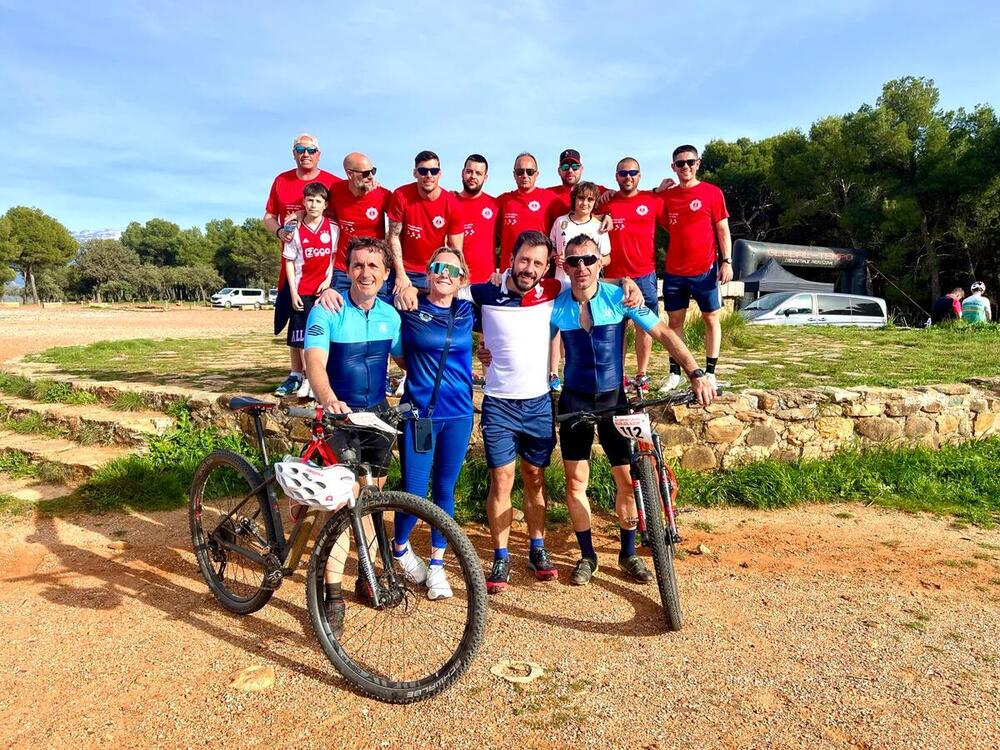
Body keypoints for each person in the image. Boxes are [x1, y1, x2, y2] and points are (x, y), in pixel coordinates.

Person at [465, 231, 645, 594]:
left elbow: (589, 280)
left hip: (538, 402)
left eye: (537, 263)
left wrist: (628, 282)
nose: (528, 269)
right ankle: (501, 555)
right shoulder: (486, 292)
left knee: (535, 478)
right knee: (502, 481)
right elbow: (445, 291)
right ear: (510, 258)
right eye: (523, 260)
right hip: (499, 402)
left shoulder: (551, 294)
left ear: (548, 268)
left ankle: (537, 548)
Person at [551, 235, 714, 586]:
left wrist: (696, 372)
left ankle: (627, 553)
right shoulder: (556, 305)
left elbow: (664, 333)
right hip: (574, 401)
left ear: (600, 262)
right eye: (574, 261)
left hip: (614, 400)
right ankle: (588, 555)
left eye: (589, 260)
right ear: (564, 265)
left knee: (627, 480)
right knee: (575, 481)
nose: (582, 267)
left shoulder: (620, 298)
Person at [302, 236, 402, 634]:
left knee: (373, 498)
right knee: (341, 507)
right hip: (339, 416)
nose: (365, 273)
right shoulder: (328, 310)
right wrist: (328, 400)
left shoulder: (390, 316)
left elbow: (404, 356)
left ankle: (366, 575)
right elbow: (315, 361)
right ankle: (332, 592)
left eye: (373, 266)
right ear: (347, 270)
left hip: (376, 415)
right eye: (358, 265)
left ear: (386, 274)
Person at [391, 248, 476, 600]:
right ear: (427, 273)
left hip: (458, 414)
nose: (444, 274)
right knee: (413, 491)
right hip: (420, 415)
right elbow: (397, 351)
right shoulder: (408, 307)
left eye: (452, 270)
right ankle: (399, 550)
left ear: (462, 280)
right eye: (438, 267)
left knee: (444, 489)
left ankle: (438, 565)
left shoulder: (468, 310)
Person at [264, 134, 342, 397]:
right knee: (296, 321)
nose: (305, 153)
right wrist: (279, 232)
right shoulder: (282, 180)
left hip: (325, 269)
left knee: (321, 321)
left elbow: (352, 200)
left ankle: (319, 374)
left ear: (319, 153)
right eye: (300, 149)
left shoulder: (333, 182)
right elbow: (268, 217)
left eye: (311, 150)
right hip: (296, 264)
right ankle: (295, 374)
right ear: (293, 153)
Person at [658, 145, 733, 392]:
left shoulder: (712, 192)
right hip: (675, 271)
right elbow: (655, 216)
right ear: (673, 167)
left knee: (711, 318)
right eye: (680, 163)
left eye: (690, 162)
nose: (686, 167)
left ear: (698, 163)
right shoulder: (667, 196)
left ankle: (710, 372)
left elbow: (722, 228)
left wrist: (727, 261)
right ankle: (675, 372)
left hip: (706, 270)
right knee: (674, 321)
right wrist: (657, 191)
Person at [601, 157, 666, 394]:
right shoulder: (606, 203)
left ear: (640, 175)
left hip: (644, 275)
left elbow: (676, 223)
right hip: (614, 278)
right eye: (623, 173)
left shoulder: (653, 199)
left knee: (644, 326)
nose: (628, 177)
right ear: (616, 176)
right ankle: (618, 374)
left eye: (633, 172)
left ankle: (641, 374)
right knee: (616, 328)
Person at [548, 181, 612, 391]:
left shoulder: (599, 226)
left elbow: (607, 257)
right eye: (581, 198)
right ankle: (553, 373)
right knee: (556, 328)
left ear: (595, 202)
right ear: (574, 199)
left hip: (588, 285)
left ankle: (577, 369)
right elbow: (551, 250)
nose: (584, 203)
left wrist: (593, 263)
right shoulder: (560, 222)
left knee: (581, 325)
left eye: (590, 199)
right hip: (563, 281)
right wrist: (556, 258)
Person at [281, 182, 337, 390]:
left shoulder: (332, 229)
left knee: (321, 334)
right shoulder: (294, 230)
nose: (313, 205)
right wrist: (293, 291)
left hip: (322, 290)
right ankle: (305, 379)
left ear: (325, 204)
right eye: (310, 200)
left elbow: (333, 257)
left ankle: (320, 379)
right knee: (301, 337)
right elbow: (288, 260)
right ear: (304, 202)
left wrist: (328, 279)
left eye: (318, 201)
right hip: (302, 289)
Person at [386, 150, 464, 294]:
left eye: (433, 171)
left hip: (435, 270)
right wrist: (401, 274)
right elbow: (393, 236)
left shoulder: (452, 203)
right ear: (415, 173)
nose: (429, 176)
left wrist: (456, 277)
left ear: (440, 173)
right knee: (397, 309)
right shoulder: (401, 195)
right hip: (404, 270)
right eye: (423, 171)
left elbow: (456, 249)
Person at [326, 152, 391, 300]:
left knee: (377, 314)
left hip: (374, 268)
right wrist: (300, 214)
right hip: (343, 269)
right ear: (349, 174)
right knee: (338, 312)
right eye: (366, 173)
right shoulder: (336, 191)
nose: (371, 177)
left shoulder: (383, 195)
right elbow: (320, 215)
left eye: (372, 171)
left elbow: (405, 216)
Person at [497, 153, 560, 271]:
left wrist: (605, 216)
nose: (525, 175)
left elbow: (577, 217)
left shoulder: (550, 199)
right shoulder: (503, 200)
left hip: (538, 272)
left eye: (530, 171)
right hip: (509, 271)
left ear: (537, 174)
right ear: (514, 174)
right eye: (520, 171)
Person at [453, 154, 500, 284]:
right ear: (462, 173)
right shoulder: (449, 202)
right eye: (469, 171)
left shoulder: (495, 205)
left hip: (487, 282)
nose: (473, 176)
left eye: (478, 173)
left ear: (485, 178)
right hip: (455, 280)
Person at [546, 148, 609, 218]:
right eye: (565, 167)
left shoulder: (598, 191)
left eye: (575, 167)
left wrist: (606, 216)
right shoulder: (547, 194)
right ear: (559, 171)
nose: (570, 170)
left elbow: (620, 198)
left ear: (581, 169)